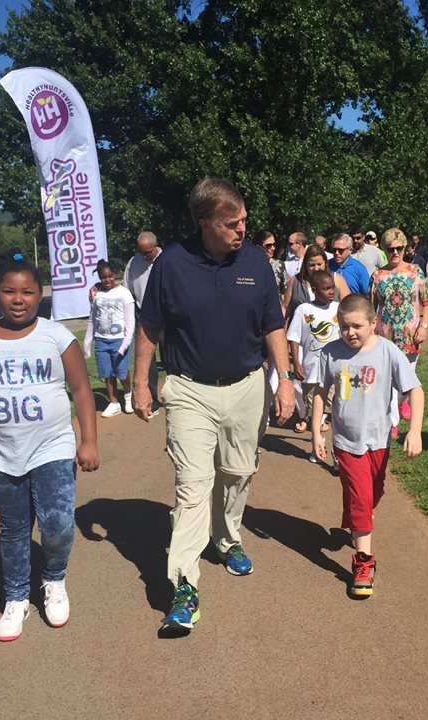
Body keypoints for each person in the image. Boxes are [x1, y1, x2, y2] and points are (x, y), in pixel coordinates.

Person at [132, 178, 293, 636]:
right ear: (204, 224)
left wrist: (285, 381)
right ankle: (184, 585)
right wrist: (141, 384)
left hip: (246, 385)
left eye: (244, 220)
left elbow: (272, 323)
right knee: (192, 484)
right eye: (231, 223)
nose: (243, 229)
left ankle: (227, 538)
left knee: (239, 472)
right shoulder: (172, 265)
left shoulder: (257, 262)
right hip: (188, 389)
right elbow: (149, 327)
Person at [0, 249, 99, 641]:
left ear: (40, 295)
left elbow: (80, 389)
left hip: (53, 446)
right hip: (2, 452)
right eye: (9, 291)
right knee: (13, 529)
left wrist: (89, 441)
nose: (18, 299)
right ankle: (15, 598)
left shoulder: (57, 335)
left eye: (28, 292)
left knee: (58, 524)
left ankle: (54, 579)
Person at [310, 294, 425, 598]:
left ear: (374, 323)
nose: (350, 333)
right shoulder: (331, 353)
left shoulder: (388, 352)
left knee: (373, 492)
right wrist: (316, 433)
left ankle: (357, 518)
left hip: (379, 440)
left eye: (357, 326)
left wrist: (415, 431)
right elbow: (321, 392)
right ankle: (364, 562)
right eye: (344, 326)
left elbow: (415, 390)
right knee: (361, 496)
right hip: (346, 441)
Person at [286, 270, 340, 444]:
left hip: (335, 371)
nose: (331, 291)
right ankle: (316, 444)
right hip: (312, 371)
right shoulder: (304, 310)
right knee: (313, 409)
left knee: (335, 410)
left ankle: (336, 447)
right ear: (314, 289)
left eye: (332, 287)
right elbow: (293, 338)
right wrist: (297, 363)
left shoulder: (338, 308)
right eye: (326, 288)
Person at [372, 229, 428, 361]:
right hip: (384, 338)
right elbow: (370, 308)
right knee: (387, 380)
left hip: (410, 338)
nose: (395, 253)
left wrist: (424, 327)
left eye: (399, 248)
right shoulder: (377, 276)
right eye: (390, 249)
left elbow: (427, 303)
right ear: (384, 249)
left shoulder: (415, 271)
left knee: (409, 379)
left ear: (404, 248)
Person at [85, 259, 135, 418]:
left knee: (121, 371)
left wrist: (125, 343)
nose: (107, 280)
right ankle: (114, 403)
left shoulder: (124, 293)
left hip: (119, 339)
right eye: (103, 277)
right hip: (101, 340)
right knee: (107, 373)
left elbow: (130, 321)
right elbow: (93, 318)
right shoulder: (96, 293)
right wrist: (87, 341)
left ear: (115, 274)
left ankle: (128, 395)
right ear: (99, 277)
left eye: (110, 276)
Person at [123, 231, 162, 413]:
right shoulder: (133, 263)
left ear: (155, 246)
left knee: (173, 358)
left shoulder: (167, 260)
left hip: (167, 314)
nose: (144, 256)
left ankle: (178, 398)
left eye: (147, 252)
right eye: (141, 252)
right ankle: (152, 399)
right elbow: (126, 290)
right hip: (144, 315)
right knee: (148, 361)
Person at [285, 244, 350, 325]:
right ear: (305, 265)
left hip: (332, 331)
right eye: (312, 265)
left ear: (325, 263)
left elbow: (348, 306)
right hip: (302, 332)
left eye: (319, 264)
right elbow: (286, 308)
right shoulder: (295, 281)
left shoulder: (337, 279)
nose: (316, 268)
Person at [254, 229, 287, 300]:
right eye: (269, 245)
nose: (273, 248)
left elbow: (283, 292)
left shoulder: (280, 265)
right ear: (258, 247)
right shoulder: (250, 266)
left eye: (274, 244)